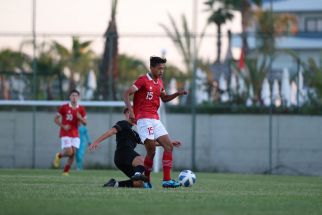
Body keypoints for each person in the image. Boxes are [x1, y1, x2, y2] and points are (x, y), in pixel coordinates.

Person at [123, 56, 188, 188]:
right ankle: (146, 180)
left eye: (163, 68)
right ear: (151, 68)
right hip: (144, 119)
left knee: (168, 146)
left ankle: (167, 180)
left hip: (155, 119)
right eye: (159, 68)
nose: (161, 71)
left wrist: (177, 94)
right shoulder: (143, 80)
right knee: (151, 150)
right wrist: (131, 111)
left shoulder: (160, 82)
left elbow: (164, 98)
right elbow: (126, 93)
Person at [89, 107, 182, 188]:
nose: (133, 114)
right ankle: (138, 174)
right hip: (123, 153)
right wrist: (97, 141)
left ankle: (115, 184)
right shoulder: (123, 124)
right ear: (126, 114)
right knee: (143, 160)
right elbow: (111, 131)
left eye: (135, 112)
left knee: (139, 184)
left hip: (121, 160)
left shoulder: (134, 133)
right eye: (130, 112)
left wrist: (168, 143)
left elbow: (151, 143)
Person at [53, 89, 87, 176]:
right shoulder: (64, 107)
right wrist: (63, 126)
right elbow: (55, 119)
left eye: (76, 96)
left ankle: (65, 171)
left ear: (78, 97)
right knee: (69, 151)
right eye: (72, 95)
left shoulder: (81, 109)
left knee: (73, 153)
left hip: (75, 133)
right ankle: (59, 155)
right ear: (70, 97)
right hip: (65, 133)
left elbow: (85, 123)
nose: (74, 97)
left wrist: (80, 118)